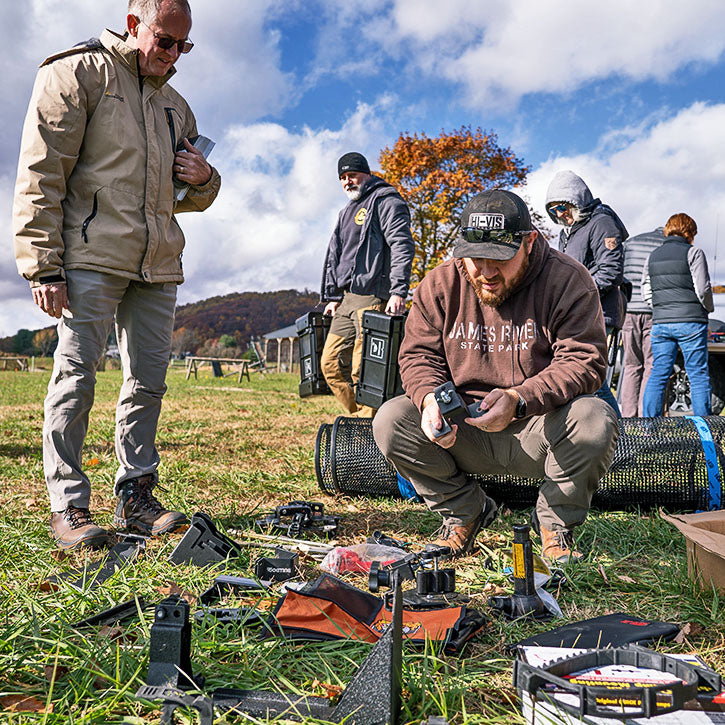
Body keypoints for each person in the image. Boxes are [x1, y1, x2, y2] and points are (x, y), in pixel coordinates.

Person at [13, 0, 221, 550]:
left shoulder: (177, 105)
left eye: (184, 45)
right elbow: (41, 175)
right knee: (76, 378)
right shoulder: (75, 72)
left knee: (147, 383)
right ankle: (70, 506)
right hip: (89, 258)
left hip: (157, 265)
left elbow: (188, 197)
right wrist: (42, 265)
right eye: (165, 41)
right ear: (134, 25)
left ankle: (135, 495)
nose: (175, 55)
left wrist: (205, 178)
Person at [373, 190, 619, 563]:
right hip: (463, 431)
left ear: (530, 241)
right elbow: (417, 356)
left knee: (594, 419)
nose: (486, 272)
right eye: (476, 259)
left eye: (500, 260)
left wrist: (519, 399)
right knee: (391, 419)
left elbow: (583, 360)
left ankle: (554, 525)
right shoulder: (439, 285)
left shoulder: (569, 280)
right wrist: (428, 401)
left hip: (540, 427)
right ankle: (464, 511)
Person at [320, 152, 414, 417]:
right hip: (347, 299)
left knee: (364, 371)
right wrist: (333, 296)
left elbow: (401, 244)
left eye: (352, 175)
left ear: (367, 173)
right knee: (330, 365)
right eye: (343, 178)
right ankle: (361, 420)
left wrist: (398, 291)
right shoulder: (345, 212)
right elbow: (335, 255)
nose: (348, 181)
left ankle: (369, 429)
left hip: (373, 296)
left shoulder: (386, 201)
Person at [545, 170, 628, 417]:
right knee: (585, 379)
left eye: (562, 206)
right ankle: (605, 437)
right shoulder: (567, 233)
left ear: (576, 200)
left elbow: (611, 271)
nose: (559, 214)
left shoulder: (601, 222)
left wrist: (575, 293)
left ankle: (620, 438)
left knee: (592, 378)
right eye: (553, 210)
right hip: (576, 313)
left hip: (600, 313)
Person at [641, 213, 714, 417]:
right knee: (697, 375)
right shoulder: (694, 253)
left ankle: (649, 428)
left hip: (661, 323)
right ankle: (704, 430)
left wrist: (661, 308)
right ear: (689, 232)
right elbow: (703, 289)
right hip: (691, 321)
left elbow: (645, 290)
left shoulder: (652, 256)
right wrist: (707, 309)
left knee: (658, 373)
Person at [619, 227, 666, 417]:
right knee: (651, 365)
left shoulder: (630, 243)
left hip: (629, 309)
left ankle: (628, 416)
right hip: (654, 311)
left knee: (630, 365)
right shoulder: (664, 245)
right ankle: (646, 416)